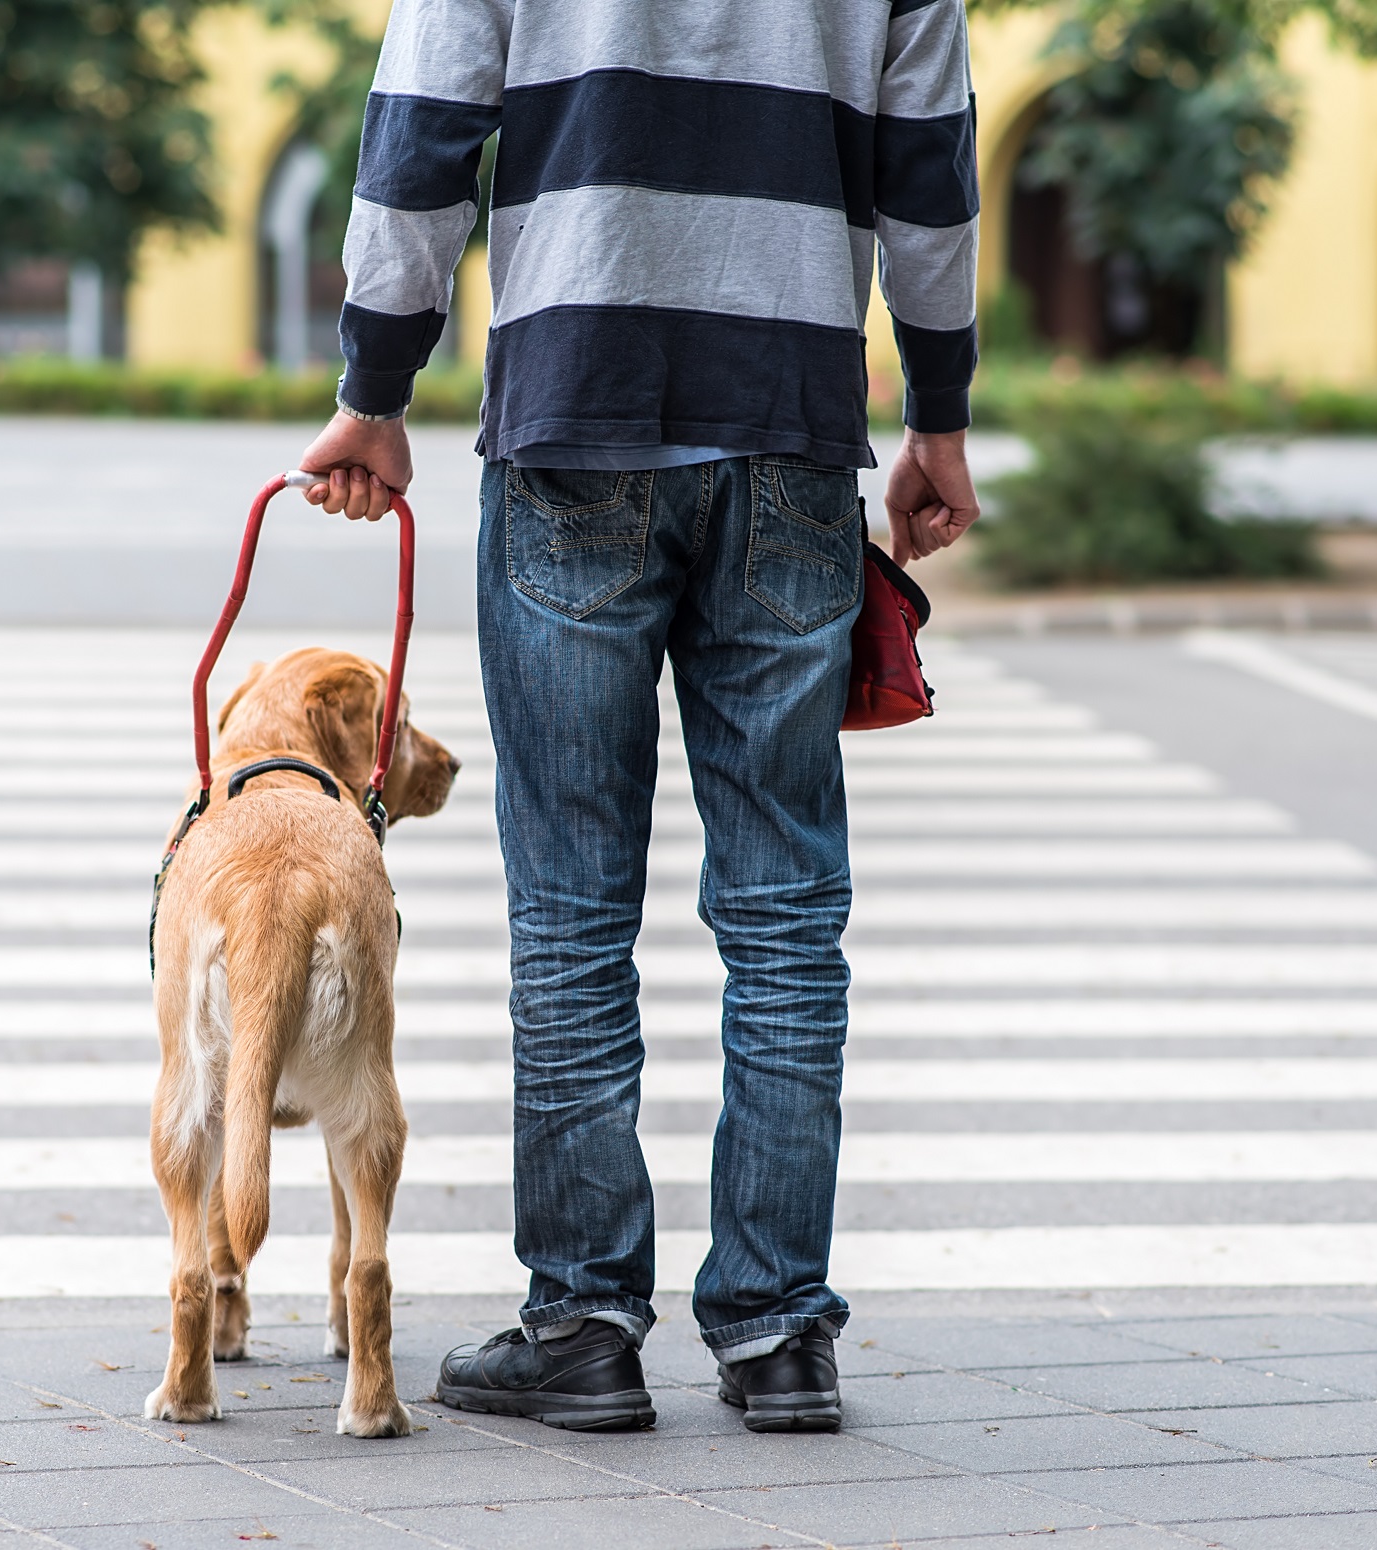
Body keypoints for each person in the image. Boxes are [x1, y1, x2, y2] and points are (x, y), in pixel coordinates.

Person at [296, 0, 983, 1433]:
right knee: (787, 907)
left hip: (573, 419)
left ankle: (584, 1323)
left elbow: (420, 137)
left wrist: (372, 388)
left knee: (568, 903)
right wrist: (937, 414)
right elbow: (927, 168)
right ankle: (779, 1329)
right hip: (789, 431)